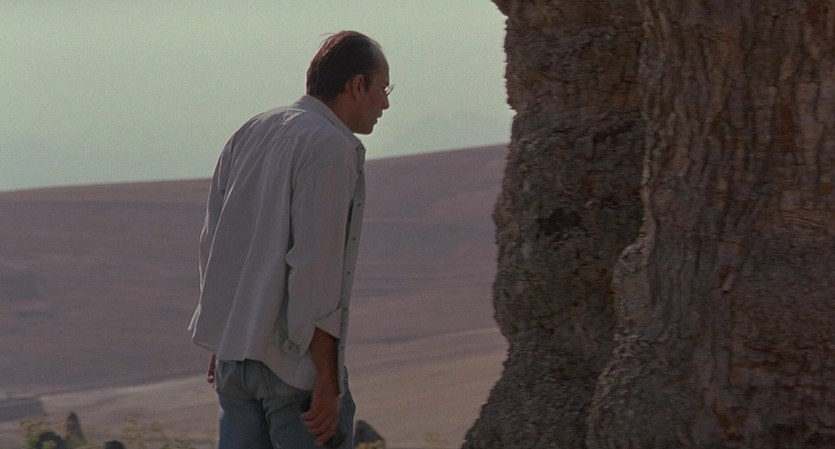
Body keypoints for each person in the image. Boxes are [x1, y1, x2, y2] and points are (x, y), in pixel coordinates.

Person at [188, 30, 391, 449]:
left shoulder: (250, 131)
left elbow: (215, 244)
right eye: (383, 89)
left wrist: (226, 332)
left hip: (234, 364)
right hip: (293, 373)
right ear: (358, 85)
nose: (385, 104)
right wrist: (326, 379)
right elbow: (314, 271)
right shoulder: (331, 148)